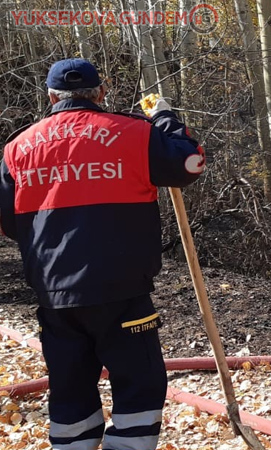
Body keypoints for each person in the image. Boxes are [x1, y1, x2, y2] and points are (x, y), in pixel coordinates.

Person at [0, 58, 204, 450]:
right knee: (139, 384)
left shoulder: (17, 148)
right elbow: (190, 163)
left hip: (54, 293)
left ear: (50, 97)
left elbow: (6, 221)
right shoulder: (134, 133)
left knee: (69, 387)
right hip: (121, 288)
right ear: (101, 93)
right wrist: (165, 120)